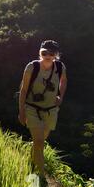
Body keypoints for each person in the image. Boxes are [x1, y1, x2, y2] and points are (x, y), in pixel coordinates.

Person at [18, 40, 67, 177]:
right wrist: (21, 112)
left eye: (51, 53)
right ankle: (40, 176)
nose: (47, 55)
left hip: (51, 110)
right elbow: (23, 90)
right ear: (40, 53)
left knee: (39, 141)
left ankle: (31, 161)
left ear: (56, 55)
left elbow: (64, 81)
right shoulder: (32, 67)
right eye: (44, 52)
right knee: (39, 142)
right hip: (32, 108)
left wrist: (60, 96)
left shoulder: (60, 67)